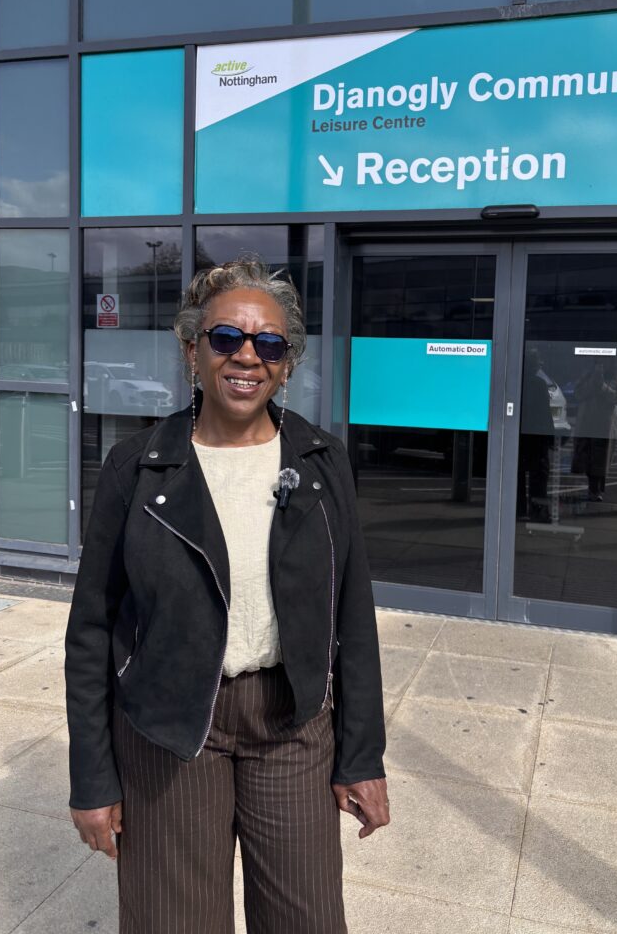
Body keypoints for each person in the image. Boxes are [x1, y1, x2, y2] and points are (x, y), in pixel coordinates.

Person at [65, 257, 389, 934]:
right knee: (173, 921)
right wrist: (92, 778)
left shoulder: (322, 461)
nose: (248, 356)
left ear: (287, 363)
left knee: (307, 919)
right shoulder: (136, 466)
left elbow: (353, 618)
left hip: (291, 723)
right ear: (192, 350)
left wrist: (361, 756)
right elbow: (92, 629)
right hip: (169, 725)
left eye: (270, 343)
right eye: (226, 338)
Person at [570, 359, 617, 501]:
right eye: (599, 364)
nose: (602, 366)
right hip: (587, 425)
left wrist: (603, 386)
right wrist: (593, 381)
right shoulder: (587, 376)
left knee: (602, 459)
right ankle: (593, 490)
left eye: (605, 363)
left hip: (604, 427)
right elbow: (578, 394)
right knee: (589, 459)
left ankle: (597, 490)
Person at [517, 348, 555, 521]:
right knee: (539, 476)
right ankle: (538, 511)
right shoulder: (538, 384)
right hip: (536, 437)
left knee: (517, 474)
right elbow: (545, 414)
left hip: (520, 437)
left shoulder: (516, 381)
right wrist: (550, 437)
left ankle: (518, 509)